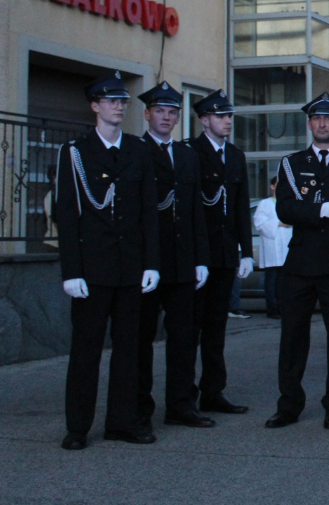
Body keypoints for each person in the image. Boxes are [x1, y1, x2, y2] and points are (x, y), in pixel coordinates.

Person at [53, 72, 160, 450]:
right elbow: (66, 215)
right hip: (93, 268)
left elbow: (149, 210)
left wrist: (151, 263)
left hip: (131, 268)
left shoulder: (138, 150)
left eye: (122, 101)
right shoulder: (76, 153)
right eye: (110, 101)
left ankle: (123, 422)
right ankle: (78, 427)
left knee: (129, 351)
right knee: (86, 351)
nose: (118, 106)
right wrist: (72, 271)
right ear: (95, 106)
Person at [265, 93, 329, 432]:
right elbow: (284, 208)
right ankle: (288, 405)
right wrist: (320, 209)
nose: (322, 124)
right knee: (292, 337)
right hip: (300, 264)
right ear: (309, 124)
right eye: (317, 119)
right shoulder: (291, 163)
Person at [135, 82, 213, 433]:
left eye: (173, 112)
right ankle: (139, 410)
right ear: (147, 114)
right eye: (160, 111)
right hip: (147, 262)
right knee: (141, 341)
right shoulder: (135, 151)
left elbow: (195, 210)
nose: (167, 117)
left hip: (183, 261)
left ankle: (182, 405)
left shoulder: (187, 156)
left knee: (184, 339)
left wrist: (201, 257)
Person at [187, 88, 252, 416]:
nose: (227, 122)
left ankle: (213, 391)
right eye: (220, 116)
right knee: (190, 327)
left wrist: (247, 251)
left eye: (229, 116)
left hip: (225, 254)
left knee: (216, 329)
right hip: (200, 255)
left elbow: (241, 208)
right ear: (203, 120)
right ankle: (185, 395)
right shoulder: (191, 153)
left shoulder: (235, 156)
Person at [251, 177, 289, 320]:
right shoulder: (265, 204)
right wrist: (279, 223)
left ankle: (282, 306)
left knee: (283, 280)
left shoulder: (287, 203)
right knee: (272, 279)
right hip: (272, 245)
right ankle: (272, 308)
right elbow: (259, 223)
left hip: (286, 245)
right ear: (272, 186)